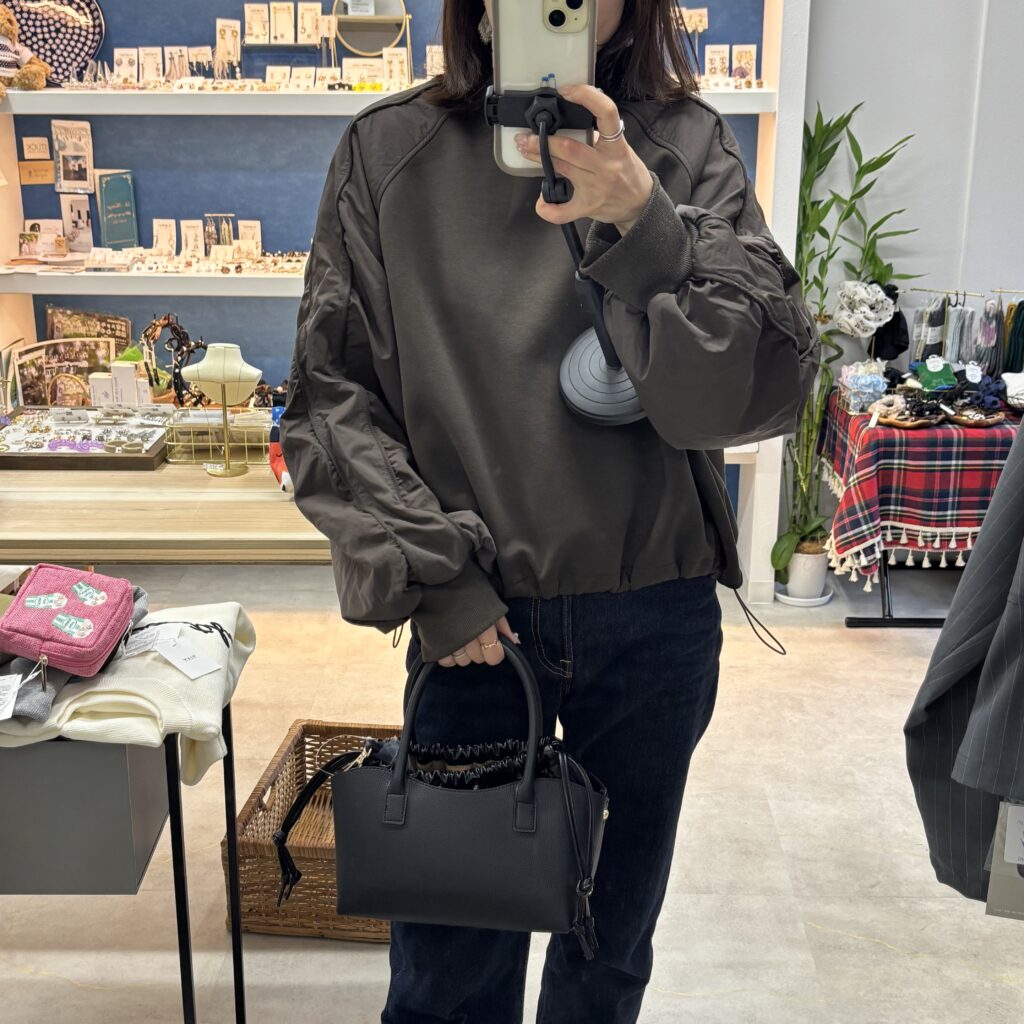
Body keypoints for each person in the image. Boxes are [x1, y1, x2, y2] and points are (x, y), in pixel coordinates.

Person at [280, 2, 820, 1021]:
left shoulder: (684, 145)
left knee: (607, 955)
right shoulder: (389, 152)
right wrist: (436, 581)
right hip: (475, 623)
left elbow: (737, 398)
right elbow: (331, 397)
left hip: (652, 612)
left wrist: (646, 222)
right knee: (448, 975)